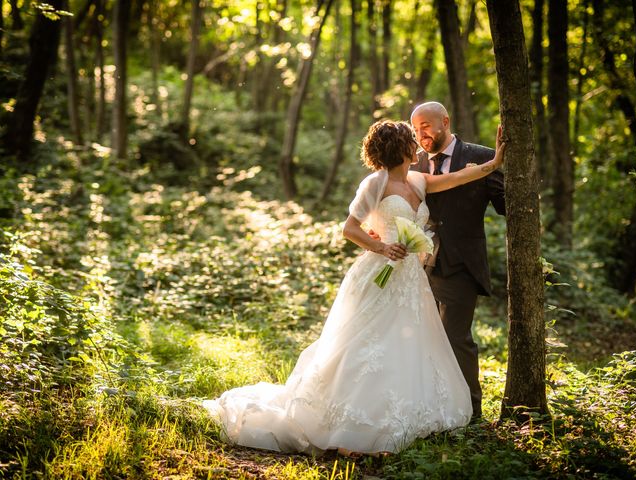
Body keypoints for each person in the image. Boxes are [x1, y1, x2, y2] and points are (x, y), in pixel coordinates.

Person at [202, 120, 505, 456]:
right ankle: (350, 424)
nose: (418, 142)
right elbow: (350, 228)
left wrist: (494, 164)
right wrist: (382, 247)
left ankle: (404, 415)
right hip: (377, 275)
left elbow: (455, 178)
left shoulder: (417, 180)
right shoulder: (375, 183)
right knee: (369, 344)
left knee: (407, 346)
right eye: (412, 137)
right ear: (401, 147)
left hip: (409, 280)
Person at [409, 102, 506, 419]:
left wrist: (502, 166)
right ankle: (434, 405)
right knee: (424, 337)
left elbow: (506, 204)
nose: (420, 133)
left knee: (455, 337)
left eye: (426, 125)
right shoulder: (414, 162)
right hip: (421, 264)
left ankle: (471, 413)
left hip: (462, 263)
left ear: (445, 121)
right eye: (415, 127)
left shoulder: (481, 157)